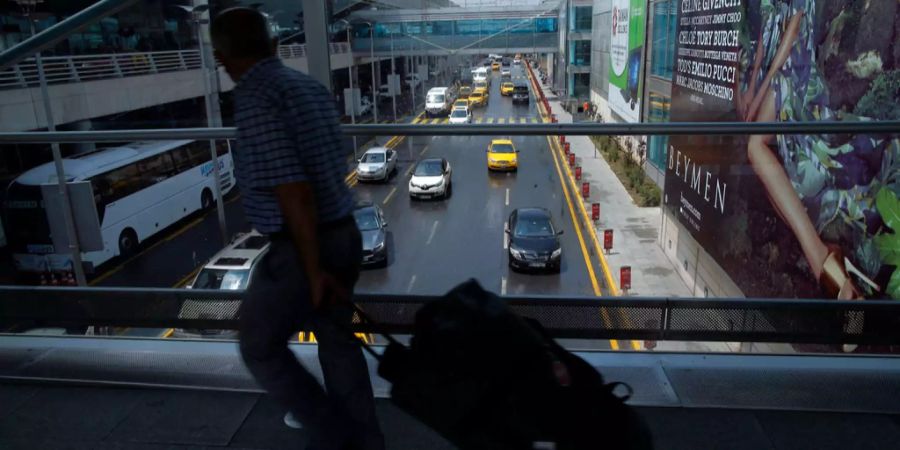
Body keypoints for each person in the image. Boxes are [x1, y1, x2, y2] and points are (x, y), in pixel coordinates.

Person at [210, 8, 384, 450]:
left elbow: (294, 192)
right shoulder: (307, 86)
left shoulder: (256, 98)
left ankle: (333, 434)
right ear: (272, 45)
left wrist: (311, 270)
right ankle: (365, 441)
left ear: (224, 57)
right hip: (345, 233)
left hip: (305, 248)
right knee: (338, 343)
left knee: (259, 344)